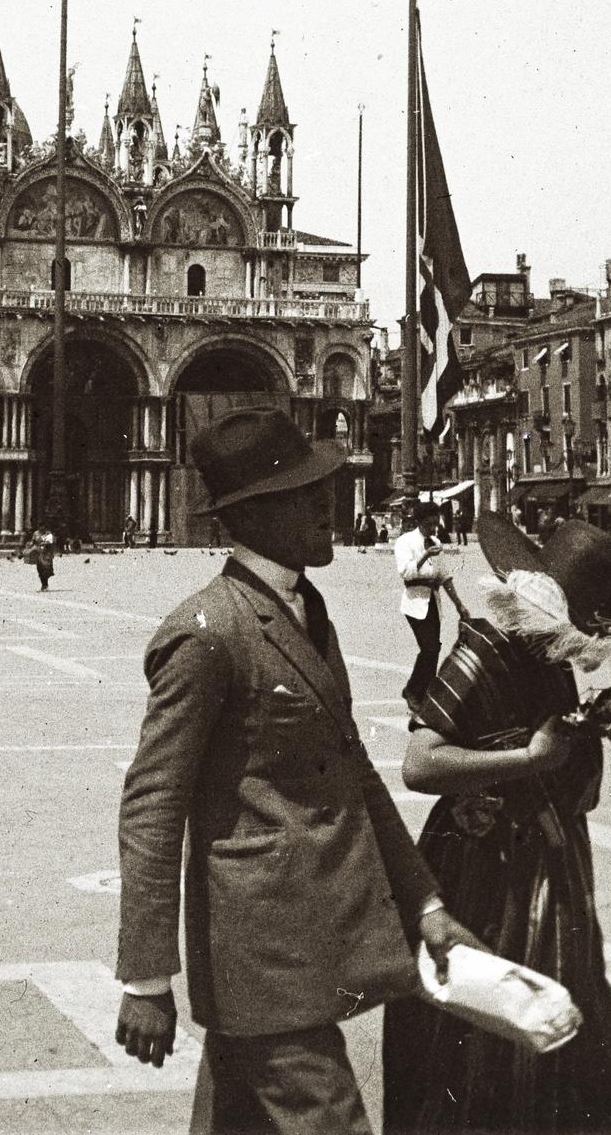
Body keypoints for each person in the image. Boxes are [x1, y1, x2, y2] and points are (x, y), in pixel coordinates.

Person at [115, 408, 477, 1132]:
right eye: (305, 494)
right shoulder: (207, 631)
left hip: (300, 943)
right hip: (268, 955)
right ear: (252, 515)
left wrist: (425, 905)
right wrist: (147, 977)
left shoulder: (306, 608)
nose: (327, 507)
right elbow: (152, 803)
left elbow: (354, 775)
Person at [382, 514, 611, 1133]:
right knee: (490, 1028)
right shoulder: (488, 646)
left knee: (559, 1014)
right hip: (487, 870)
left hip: (549, 866)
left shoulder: (544, 652)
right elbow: (419, 762)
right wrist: (528, 758)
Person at [394, 502, 472, 715]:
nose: (433, 528)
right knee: (428, 648)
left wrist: (459, 605)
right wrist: (426, 555)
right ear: (418, 522)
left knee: (434, 648)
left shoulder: (436, 542)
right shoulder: (405, 542)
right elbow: (406, 573)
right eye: (428, 524)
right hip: (414, 602)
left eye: (436, 524)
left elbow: (445, 576)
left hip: (432, 602)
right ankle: (412, 691)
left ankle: (424, 694)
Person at [20, 524, 56, 590]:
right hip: (38, 553)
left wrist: (43, 544)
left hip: (46, 554)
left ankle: (45, 584)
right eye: (40, 526)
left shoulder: (48, 533)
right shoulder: (36, 533)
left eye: (43, 526)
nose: (41, 528)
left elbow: (49, 543)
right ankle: (44, 585)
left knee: (46, 569)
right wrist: (29, 546)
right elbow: (33, 542)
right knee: (40, 569)